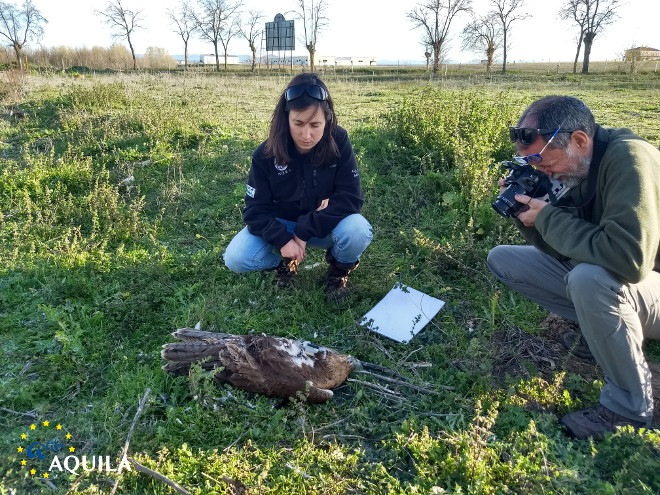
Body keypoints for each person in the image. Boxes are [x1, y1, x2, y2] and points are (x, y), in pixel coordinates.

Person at [487, 95, 660, 439]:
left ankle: (630, 408)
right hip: (631, 285)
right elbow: (566, 251)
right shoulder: (580, 165)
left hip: (645, 278)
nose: (541, 171)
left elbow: (631, 260)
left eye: (543, 162)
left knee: (589, 278)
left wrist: (549, 217)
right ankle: (604, 336)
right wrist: (530, 217)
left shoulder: (629, 159)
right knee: (503, 259)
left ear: (579, 140)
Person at [223, 73, 373, 302]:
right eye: (298, 123)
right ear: (286, 118)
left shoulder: (339, 140)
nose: (306, 135)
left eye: (315, 125)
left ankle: (338, 272)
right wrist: (283, 240)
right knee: (235, 257)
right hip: (282, 225)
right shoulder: (264, 154)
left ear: (328, 120)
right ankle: (284, 265)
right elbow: (254, 211)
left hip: (322, 225)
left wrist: (305, 230)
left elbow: (351, 198)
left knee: (358, 229)